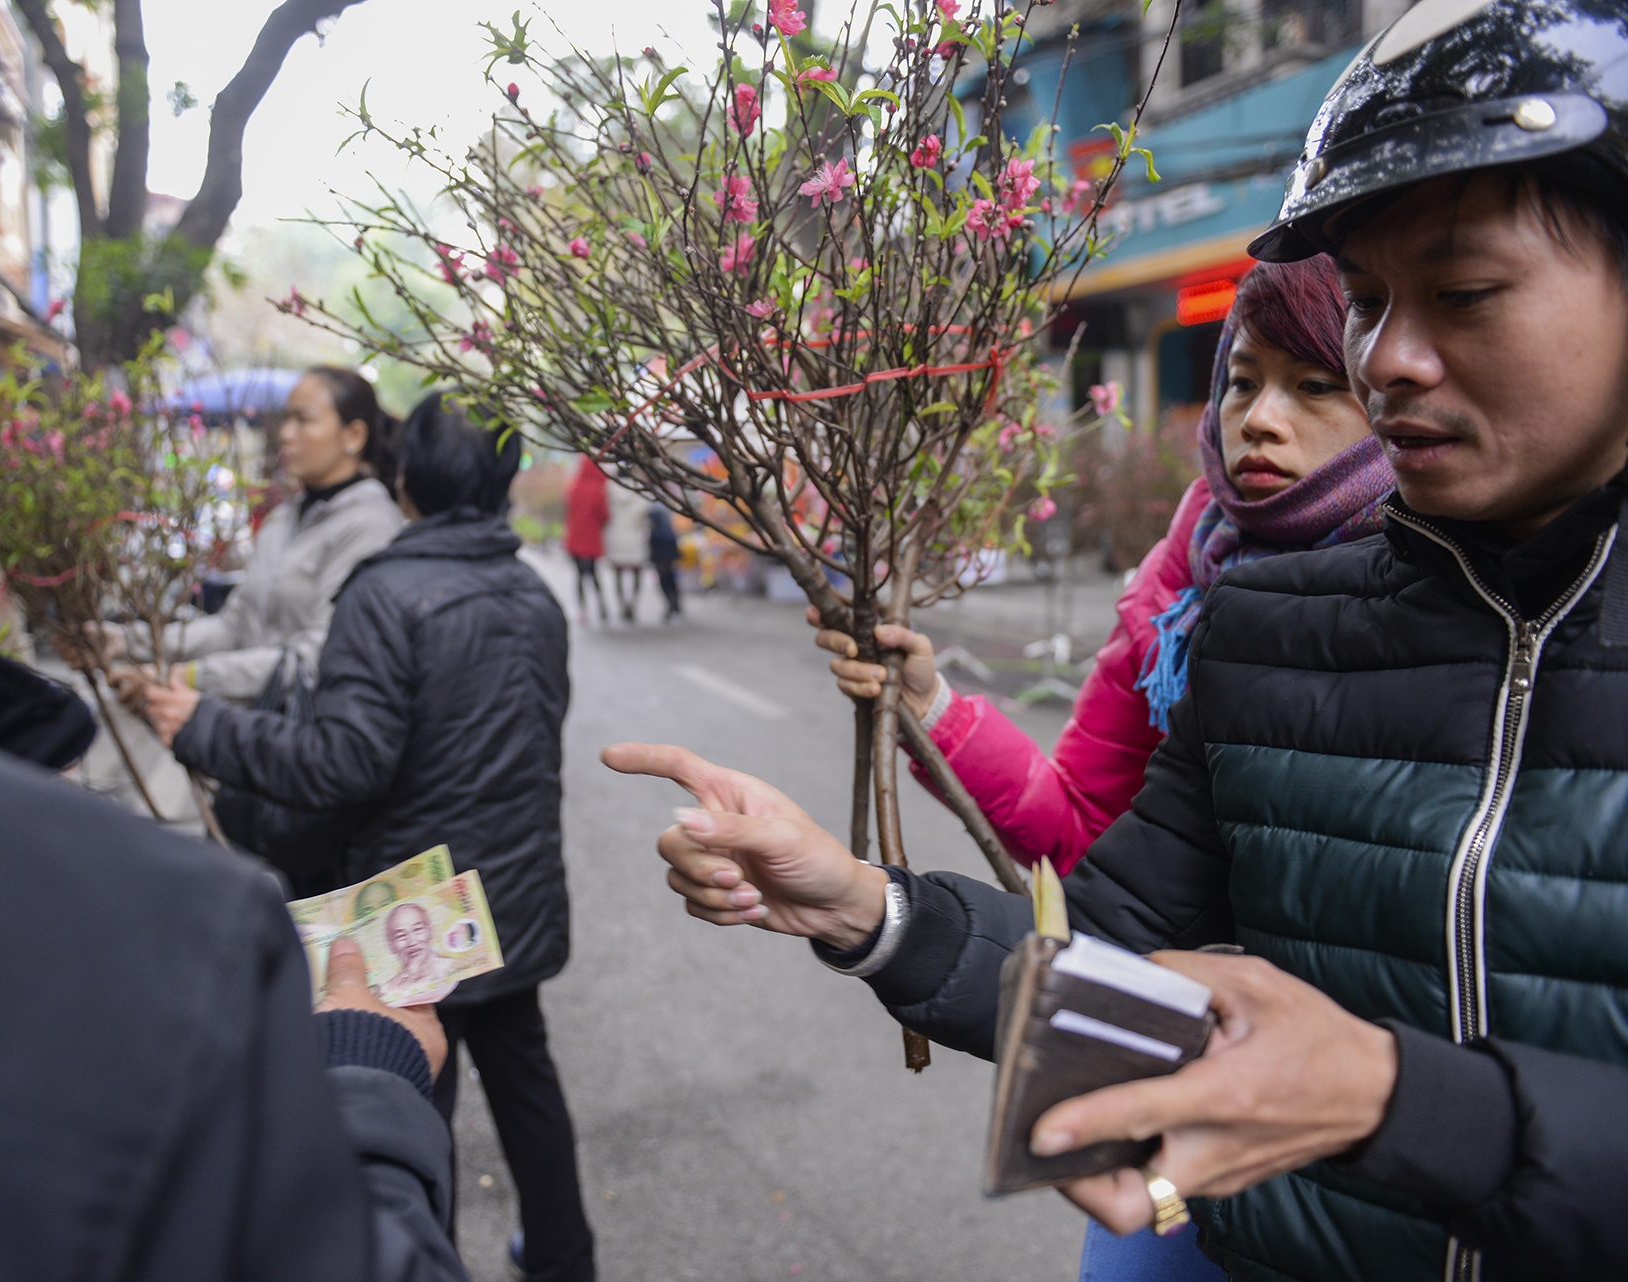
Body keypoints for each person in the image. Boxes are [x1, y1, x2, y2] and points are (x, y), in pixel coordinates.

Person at [611, 5, 1628, 1278]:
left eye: (1465, 292)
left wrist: (1403, 1103)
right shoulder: (1257, 631)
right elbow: (1106, 945)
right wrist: (868, 908)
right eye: (1367, 304)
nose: (1392, 362)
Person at [0, 2, 465, 1278]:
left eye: (302, 419)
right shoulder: (127, 947)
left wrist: (178, 681)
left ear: (355, 433)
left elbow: (296, 656)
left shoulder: (365, 539)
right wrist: (375, 1091)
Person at [139, 393, 596, 1282]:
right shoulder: (533, 594)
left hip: (417, 906)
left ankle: (425, 1261)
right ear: (505, 481)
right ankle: (563, 1261)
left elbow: (343, 764)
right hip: (514, 893)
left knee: (409, 1098)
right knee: (528, 1091)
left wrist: (205, 726)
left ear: (406, 475)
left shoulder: (384, 595)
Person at [815, 257, 1389, 880]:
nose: (1257, 420)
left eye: (1314, 386)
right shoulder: (1176, 584)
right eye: (1242, 382)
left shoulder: (1441, 578)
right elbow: (1086, 830)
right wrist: (931, 706)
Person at [97, 366, 404, 702]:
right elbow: (235, 626)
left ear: (353, 436)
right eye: (286, 419)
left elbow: (315, 658)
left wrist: (188, 676)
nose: (286, 433)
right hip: (248, 724)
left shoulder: (370, 527)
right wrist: (124, 641)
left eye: (304, 420)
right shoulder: (283, 519)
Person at [564, 453, 609, 625]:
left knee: (579, 575)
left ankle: (583, 610)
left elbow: (568, 510)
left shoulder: (574, 487)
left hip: (575, 537)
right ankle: (601, 605)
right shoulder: (598, 489)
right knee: (594, 574)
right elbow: (604, 515)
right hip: (592, 537)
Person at [603, 469, 651, 624]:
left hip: (616, 536)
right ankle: (633, 604)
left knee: (618, 574)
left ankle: (622, 604)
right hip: (635, 536)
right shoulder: (639, 487)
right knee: (637, 573)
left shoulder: (609, 488)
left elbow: (604, 512)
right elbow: (645, 512)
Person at [649, 502, 684, 620]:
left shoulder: (654, 508)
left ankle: (672, 603)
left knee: (664, 578)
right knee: (670, 577)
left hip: (659, 545)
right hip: (669, 544)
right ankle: (674, 603)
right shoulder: (667, 505)